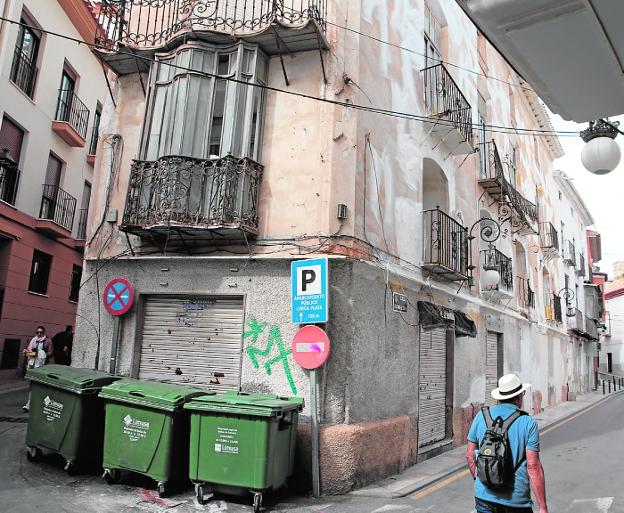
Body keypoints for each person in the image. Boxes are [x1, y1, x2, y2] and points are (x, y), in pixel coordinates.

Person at [465, 374, 549, 513]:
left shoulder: (481, 416)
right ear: (518, 398)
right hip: (516, 501)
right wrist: (543, 507)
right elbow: (533, 466)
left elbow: (469, 455)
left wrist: (481, 478)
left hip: (483, 497)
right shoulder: (528, 423)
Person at [22, 326, 53, 412]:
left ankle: (45, 403)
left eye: (41, 332)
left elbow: (51, 352)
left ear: (44, 333)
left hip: (43, 366)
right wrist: (26, 352)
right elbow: (28, 352)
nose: (39, 334)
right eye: (37, 332)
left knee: (42, 386)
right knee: (32, 385)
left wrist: (41, 354)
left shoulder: (48, 341)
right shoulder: (33, 341)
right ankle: (29, 404)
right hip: (33, 366)